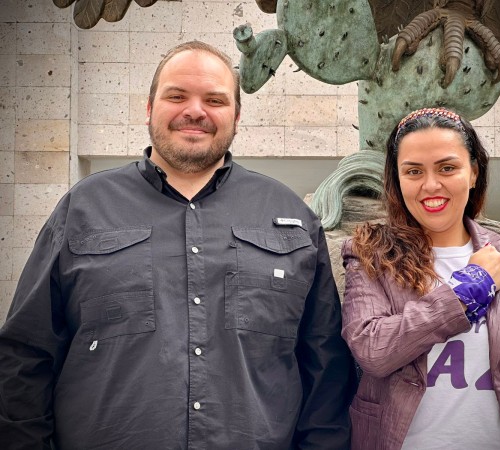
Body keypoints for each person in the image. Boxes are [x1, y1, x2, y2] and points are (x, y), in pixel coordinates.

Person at [0, 40, 355, 449]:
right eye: (177, 96)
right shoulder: (83, 209)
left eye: (215, 100)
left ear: (237, 116)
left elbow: (325, 369)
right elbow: (25, 355)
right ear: (149, 108)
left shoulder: (291, 216)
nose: (195, 111)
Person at [341, 107, 500, 449]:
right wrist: (472, 287)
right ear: (397, 180)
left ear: (474, 172)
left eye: (447, 168)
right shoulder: (371, 253)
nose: (431, 185)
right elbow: (374, 350)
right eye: (414, 171)